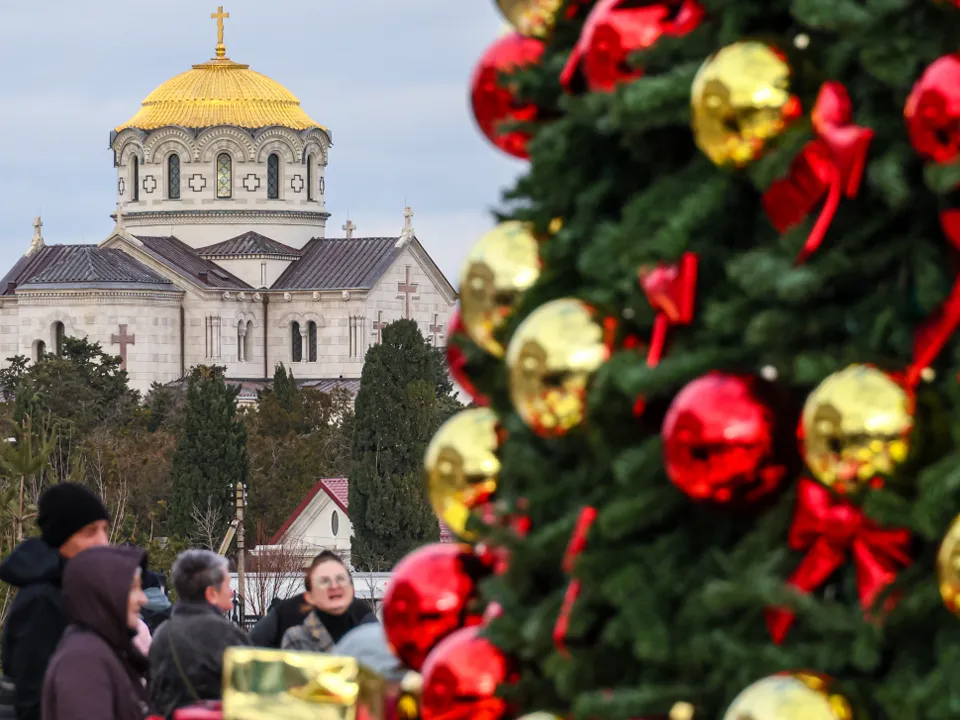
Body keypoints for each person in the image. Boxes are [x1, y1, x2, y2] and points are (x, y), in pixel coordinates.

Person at [0, 483, 110, 720]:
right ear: (63, 538)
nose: (103, 541)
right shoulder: (43, 601)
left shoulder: (74, 591)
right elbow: (34, 699)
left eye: (104, 529)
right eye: (90, 532)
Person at [41, 545, 150, 720]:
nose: (143, 599)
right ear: (104, 593)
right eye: (132, 589)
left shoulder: (106, 648)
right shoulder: (83, 661)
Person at [148, 549, 251, 719]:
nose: (231, 592)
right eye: (227, 584)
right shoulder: (228, 635)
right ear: (211, 593)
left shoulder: (161, 633)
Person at [281, 550, 377, 652]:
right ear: (310, 596)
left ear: (352, 590)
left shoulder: (372, 633)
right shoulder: (297, 638)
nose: (334, 586)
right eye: (324, 581)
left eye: (340, 578)